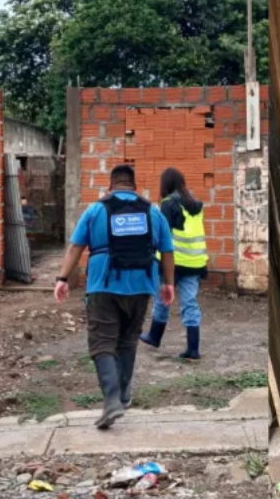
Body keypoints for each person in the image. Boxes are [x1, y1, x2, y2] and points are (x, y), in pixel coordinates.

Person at [53, 165, 175, 429]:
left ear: (111, 186)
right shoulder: (153, 212)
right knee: (128, 341)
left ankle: (111, 401)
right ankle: (123, 395)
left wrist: (62, 278)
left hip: (103, 286)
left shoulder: (95, 210)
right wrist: (168, 284)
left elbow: (75, 247)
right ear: (133, 185)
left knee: (102, 343)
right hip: (141, 286)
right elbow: (167, 251)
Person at [139, 168, 209, 360]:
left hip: (173, 262)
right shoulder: (195, 204)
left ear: (166, 184)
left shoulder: (168, 203)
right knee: (190, 302)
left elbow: (162, 234)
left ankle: (154, 336)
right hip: (195, 262)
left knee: (162, 298)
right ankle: (193, 349)